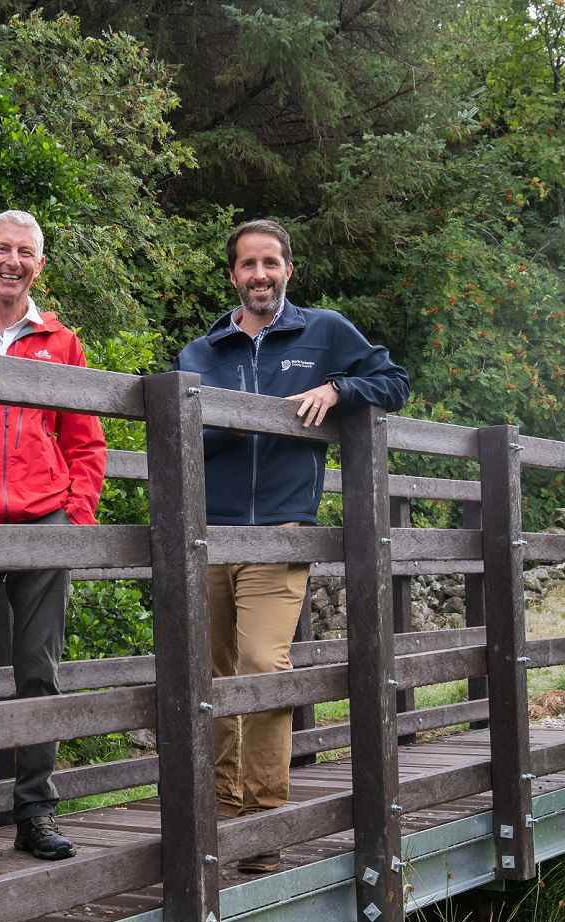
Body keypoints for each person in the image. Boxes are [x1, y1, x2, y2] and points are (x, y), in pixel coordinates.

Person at [178, 218, 410, 874]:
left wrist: (338, 388)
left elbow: (392, 380)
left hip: (282, 528)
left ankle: (266, 815)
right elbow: (183, 429)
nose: (260, 275)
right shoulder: (203, 352)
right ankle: (226, 806)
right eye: (248, 265)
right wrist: (240, 424)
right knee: (217, 672)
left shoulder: (325, 332)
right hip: (210, 531)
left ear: (288, 268)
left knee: (260, 661)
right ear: (232, 274)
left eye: (270, 263)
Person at [0, 210, 106, 863]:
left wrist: (75, 518)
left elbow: (85, 440)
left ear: (40, 263)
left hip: (41, 525)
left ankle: (34, 810)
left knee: (39, 671)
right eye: (2, 248)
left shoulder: (61, 342)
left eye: (25, 251)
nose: (12, 260)